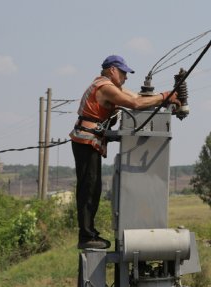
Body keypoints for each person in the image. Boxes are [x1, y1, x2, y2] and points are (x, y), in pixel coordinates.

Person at [69, 55, 180, 249]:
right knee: (88, 189)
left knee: (93, 189)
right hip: (86, 141)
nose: (126, 77)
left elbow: (136, 97)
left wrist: (166, 98)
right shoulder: (106, 87)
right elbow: (135, 105)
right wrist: (164, 97)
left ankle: (89, 233)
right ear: (112, 70)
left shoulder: (110, 86)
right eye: (123, 73)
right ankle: (86, 237)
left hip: (89, 141)